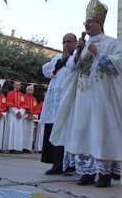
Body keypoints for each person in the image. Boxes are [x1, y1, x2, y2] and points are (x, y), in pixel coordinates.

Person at [49, 0, 122, 187]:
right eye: (85, 21)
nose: (87, 24)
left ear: (100, 24)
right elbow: (71, 69)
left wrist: (99, 54)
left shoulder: (111, 43)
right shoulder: (82, 45)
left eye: (90, 21)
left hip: (103, 98)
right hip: (82, 97)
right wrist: (78, 53)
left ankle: (104, 174)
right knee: (82, 131)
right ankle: (86, 172)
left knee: (102, 132)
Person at [40, 33, 77, 175]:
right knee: (54, 130)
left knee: (68, 132)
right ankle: (56, 164)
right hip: (55, 101)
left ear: (75, 43)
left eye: (69, 41)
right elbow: (46, 70)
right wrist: (62, 59)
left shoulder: (79, 57)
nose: (66, 44)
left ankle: (70, 165)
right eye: (64, 42)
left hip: (70, 100)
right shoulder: (57, 57)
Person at [3, 81, 28, 153]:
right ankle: (11, 147)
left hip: (20, 116)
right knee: (11, 130)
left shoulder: (22, 95)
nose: (17, 86)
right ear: (14, 86)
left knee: (18, 132)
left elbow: (24, 105)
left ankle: (17, 147)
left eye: (19, 85)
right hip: (12, 115)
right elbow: (10, 105)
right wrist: (16, 112)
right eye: (16, 85)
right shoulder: (10, 94)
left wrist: (21, 112)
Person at [22, 85, 39, 153]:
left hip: (31, 118)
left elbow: (37, 109)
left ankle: (27, 147)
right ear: (26, 90)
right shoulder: (23, 97)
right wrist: (26, 116)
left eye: (32, 90)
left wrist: (34, 116)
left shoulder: (34, 99)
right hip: (25, 118)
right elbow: (21, 106)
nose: (31, 91)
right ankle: (22, 147)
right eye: (30, 89)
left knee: (29, 134)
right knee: (23, 133)